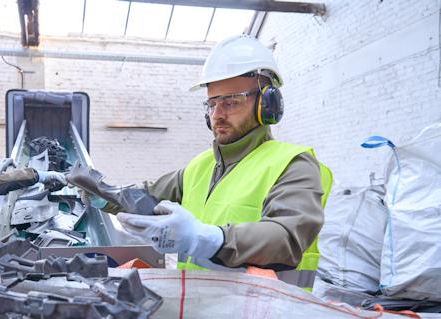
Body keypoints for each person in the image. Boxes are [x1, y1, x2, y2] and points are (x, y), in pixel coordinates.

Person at [84, 35, 332, 289]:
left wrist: (207, 239)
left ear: (267, 104)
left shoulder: (293, 164)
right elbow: (145, 197)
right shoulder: (201, 166)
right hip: (197, 314)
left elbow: (286, 237)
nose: (217, 115)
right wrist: (100, 193)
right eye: (212, 103)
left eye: (231, 102)